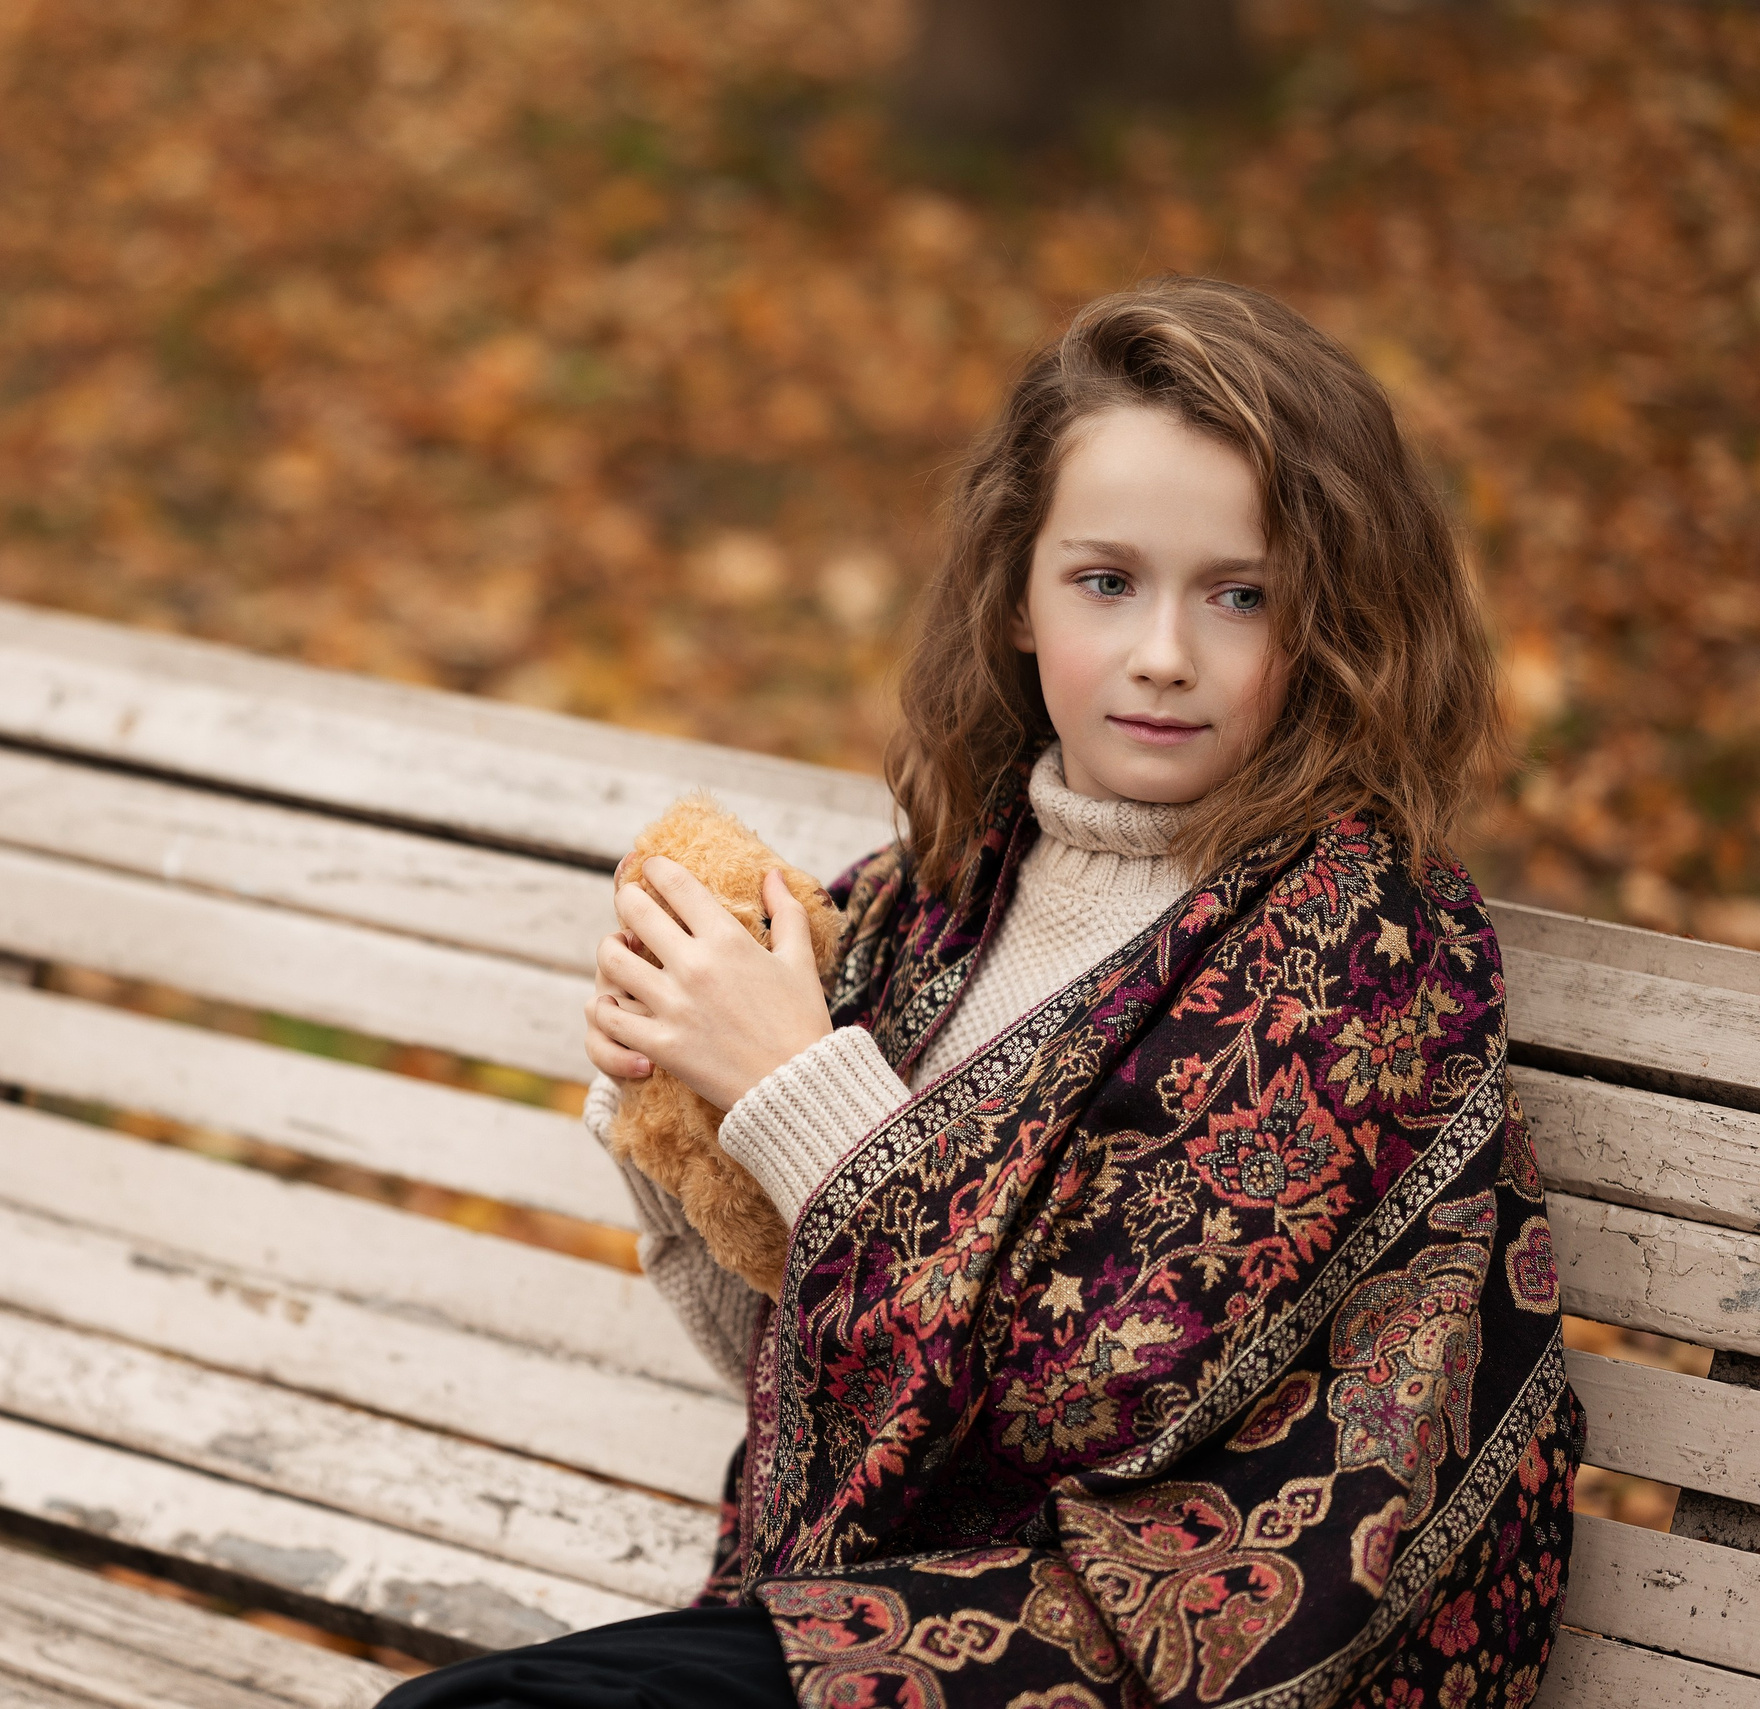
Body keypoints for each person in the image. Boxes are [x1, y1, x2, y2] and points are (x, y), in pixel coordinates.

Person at [384, 277, 1580, 1709]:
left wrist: (792, 1092)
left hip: (1178, 1653)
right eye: (1105, 580)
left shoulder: (1366, 944)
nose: (1161, 653)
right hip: (907, 1611)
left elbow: (1076, 1407)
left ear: (1332, 622)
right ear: (1017, 594)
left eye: (1241, 595)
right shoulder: (927, 896)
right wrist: (672, 1139)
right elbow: (840, 1388)